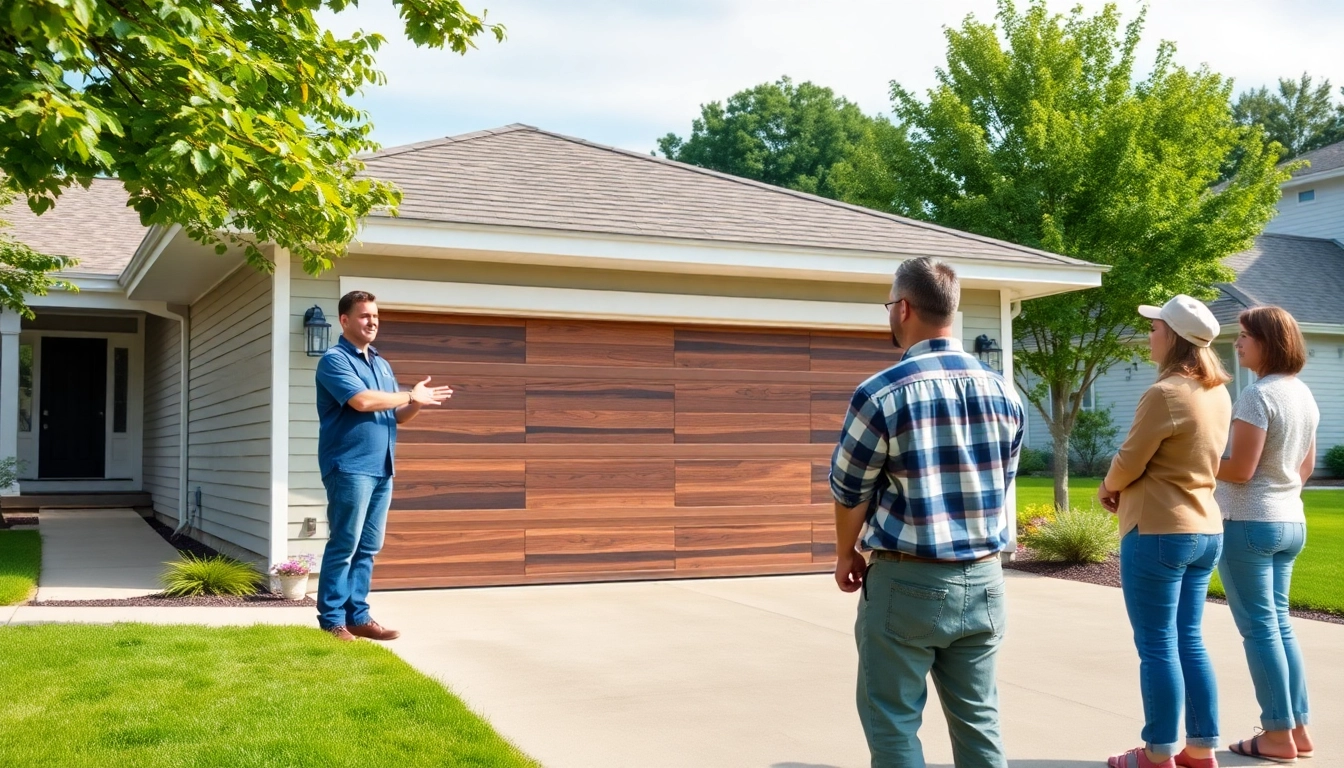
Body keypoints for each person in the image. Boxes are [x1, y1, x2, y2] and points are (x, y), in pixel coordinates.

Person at [831, 256, 1024, 768]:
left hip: (907, 584)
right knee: (980, 722)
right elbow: (1001, 484)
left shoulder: (881, 393)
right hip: (984, 582)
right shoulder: (1006, 392)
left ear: (905, 309)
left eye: (889, 304)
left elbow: (850, 489)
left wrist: (845, 553)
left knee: (893, 723)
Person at [1098, 296, 1232, 768]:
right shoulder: (1218, 392)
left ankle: (1156, 755)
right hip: (1204, 529)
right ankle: (1200, 749)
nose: (1149, 334)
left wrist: (1108, 487)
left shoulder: (1166, 393)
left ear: (1172, 337)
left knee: (1156, 646)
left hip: (1158, 531)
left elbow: (1130, 459)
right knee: (1188, 639)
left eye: (1155, 327)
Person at [315, 290, 454, 641]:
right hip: (349, 466)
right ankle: (332, 620)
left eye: (376, 316)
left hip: (382, 467)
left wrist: (418, 401)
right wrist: (408, 394)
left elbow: (399, 415)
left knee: (368, 546)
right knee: (345, 543)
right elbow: (362, 402)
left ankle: (358, 616)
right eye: (365, 316)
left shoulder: (380, 362)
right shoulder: (334, 360)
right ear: (345, 320)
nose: (372, 321)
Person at [1214, 306, 1319, 763]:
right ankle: (1297, 729)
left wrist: (1192, 461)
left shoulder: (1257, 396)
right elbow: (1306, 468)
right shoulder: (1303, 394)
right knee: (1278, 627)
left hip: (1248, 524)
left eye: (1244, 336)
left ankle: (1276, 736)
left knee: (1260, 632)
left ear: (1268, 343)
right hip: (1290, 521)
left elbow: (1239, 470)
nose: (1238, 344)